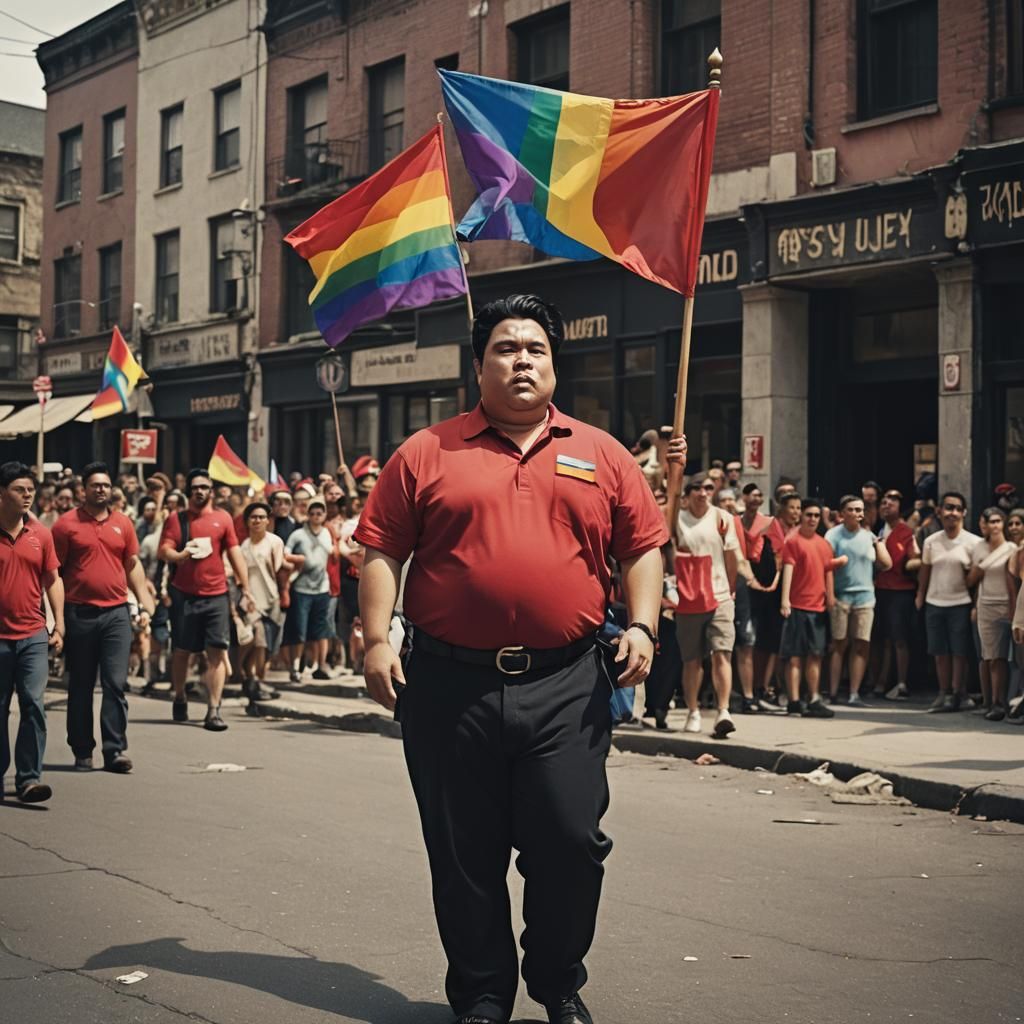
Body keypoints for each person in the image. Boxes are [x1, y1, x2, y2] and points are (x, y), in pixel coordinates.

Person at [355, 294, 665, 1024]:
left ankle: (557, 980)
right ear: (478, 364)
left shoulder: (603, 453)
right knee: (464, 853)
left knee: (570, 841)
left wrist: (645, 628)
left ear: (554, 365)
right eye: (505, 347)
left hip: (567, 684)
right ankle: (484, 995)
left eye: (535, 349)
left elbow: (642, 548)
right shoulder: (427, 452)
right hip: (446, 685)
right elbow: (381, 551)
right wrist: (375, 639)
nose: (521, 359)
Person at [51, 462, 156, 773]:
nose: (101, 489)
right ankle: (82, 750)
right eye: (95, 484)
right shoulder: (65, 525)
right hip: (79, 614)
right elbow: (53, 573)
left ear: (112, 489)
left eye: (105, 485)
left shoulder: (123, 524)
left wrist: (146, 605)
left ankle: (114, 751)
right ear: (84, 489)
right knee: (81, 686)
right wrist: (56, 619)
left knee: (115, 683)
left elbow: (132, 564)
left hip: (116, 614)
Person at [159, 469, 255, 730]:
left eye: (205, 487)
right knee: (182, 651)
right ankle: (179, 696)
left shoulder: (223, 518)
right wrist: (180, 556)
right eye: (196, 487)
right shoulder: (176, 519)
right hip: (185, 595)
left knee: (217, 650)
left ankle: (214, 709)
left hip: (216, 595)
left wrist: (245, 588)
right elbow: (164, 550)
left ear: (211, 491)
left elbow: (235, 553)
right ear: (189, 491)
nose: (200, 491)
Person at [0, 462, 64, 803]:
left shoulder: (41, 534)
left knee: (33, 704)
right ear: (1, 494)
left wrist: (59, 624)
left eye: (30, 490)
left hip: (33, 635)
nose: (28, 496)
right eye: (19, 490)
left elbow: (53, 580)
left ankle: (28, 779)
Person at [671, 475, 741, 738]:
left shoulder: (723, 518)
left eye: (708, 488)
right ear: (688, 494)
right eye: (698, 488)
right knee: (692, 660)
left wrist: (730, 590)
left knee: (722, 652)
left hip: (720, 596)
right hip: (688, 598)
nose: (703, 493)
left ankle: (723, 711)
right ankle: (693, 711)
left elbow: (731, 556)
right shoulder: (675, 518)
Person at [916, 491, 980, 712]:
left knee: (959, 652)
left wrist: (975, 605)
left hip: (960, 603)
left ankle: (957, 693)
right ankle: (943, 693)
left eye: (956, 508)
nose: (952, 513)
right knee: (939, 652)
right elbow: (925, 570)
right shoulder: (932, 541)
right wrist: (920, 596)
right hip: (935, 602)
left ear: (963, 513)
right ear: (939, 511)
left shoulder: (974, 542)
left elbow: (977, 578)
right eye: (948, 508)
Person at [825, 494, 891, 706]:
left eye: (860, 510)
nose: (857, 514)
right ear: (842, 513)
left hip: (865, 597)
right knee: (838, 644)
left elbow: (886, 564)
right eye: (852, 510)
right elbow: (826, 567)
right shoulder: (833, 535)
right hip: (841, 596)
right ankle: (834, 693)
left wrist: (878, 544)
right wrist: (830, 595)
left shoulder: (869, 536)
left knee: (861, 644)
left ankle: (854, 693)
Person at [779, 499, 842, 718]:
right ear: (802, 516)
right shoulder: (793, 541)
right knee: (795, 656)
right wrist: (785, 600)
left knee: (816, 655)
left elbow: (828, 570)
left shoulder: (824, 544)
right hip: (797, 605)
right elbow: (788, 568)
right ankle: (794, 700)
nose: (813, 519)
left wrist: (830, 596)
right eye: (809, 515)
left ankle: (814, 698)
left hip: (817, 606)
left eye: (816, 515)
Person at [967, 508, 1016, 721]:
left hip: (1008, 604)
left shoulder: (1012, 548)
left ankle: (1005, 702)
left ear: (1003, 523)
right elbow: (971, 581)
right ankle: (992, 703)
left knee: (1009, 659)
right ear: (984, 524)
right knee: (990, 657)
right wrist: (976, 606)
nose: (995, 526)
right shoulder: (978, 547)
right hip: (985, 605)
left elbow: (1014, 582)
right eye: (990, 522)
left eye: (998, 521)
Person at [872, 490, 921, 701]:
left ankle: (901, 683)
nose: (886, 505)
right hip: (879, 590)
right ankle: (880, 681)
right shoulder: (877, 530)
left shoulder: (907, 532)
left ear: (899, 507)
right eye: (883, 502)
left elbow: (916, 559)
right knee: (882, 639)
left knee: (900, 638)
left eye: (891, 502)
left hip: (901, 592)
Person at [282, 496, 338, 683]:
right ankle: (295, 667)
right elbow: (285, 553)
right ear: (308, 515)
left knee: (322, 630)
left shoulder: (326, 533)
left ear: (323, 515)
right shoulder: (298, 534)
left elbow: (332, 552)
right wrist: (296, 559)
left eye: (319, 513)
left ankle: (321, 666)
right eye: (312, 513)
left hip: (322, 587)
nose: (316, 516)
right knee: (299, 629)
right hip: (301, 588)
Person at [237, 501, 286, 705]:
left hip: (272, 598)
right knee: (258, 639)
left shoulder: (275, 542)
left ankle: (255, 679)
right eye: (253, 517)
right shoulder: (243, 547)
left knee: (269, 644)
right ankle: (253, 679)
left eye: (261, 517)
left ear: (268, 520)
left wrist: (284, 593)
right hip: (251, 602)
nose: (257, 521)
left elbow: (281, 570)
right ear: (247, 521)